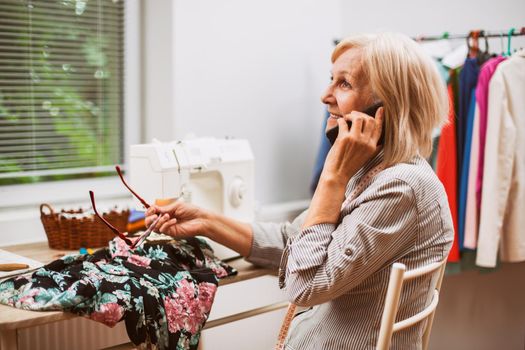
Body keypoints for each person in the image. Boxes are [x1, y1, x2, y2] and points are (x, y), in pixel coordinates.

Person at [145, 32, 454, 349]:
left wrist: (332, 177)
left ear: (385, 109)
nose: (325, 96)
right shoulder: (372, 174)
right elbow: (292, 240)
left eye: (344, 84)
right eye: (331, 80)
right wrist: (207, 222)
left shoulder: (400, 188)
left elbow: (305, 285)